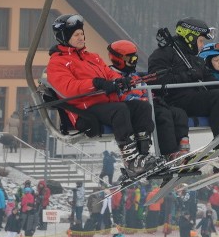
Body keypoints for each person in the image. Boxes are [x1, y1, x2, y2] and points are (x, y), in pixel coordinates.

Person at [46, 14, 158, 176]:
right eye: (76, 35)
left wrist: (120, 81)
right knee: (120, 110)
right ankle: (131, 161)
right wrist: (96, 83)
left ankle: (143, 155)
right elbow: (67, 88)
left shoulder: (92, 57)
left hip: (105, 104)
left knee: (141, 107)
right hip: (85, 109)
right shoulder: (58, 63)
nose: (81, 37)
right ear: (64, 37)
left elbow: (109, 74)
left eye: (82, 33)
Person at [148, 19, 219, 159]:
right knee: (218, 96)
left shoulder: (194, 59)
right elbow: (157, 81)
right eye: (201, 41)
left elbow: (211, 80)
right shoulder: (163, 54)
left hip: (194, 97)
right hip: (175, 100)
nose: (202, 45)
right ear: (190, 38)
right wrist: (186, 75)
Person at [108, 39, 191, 161]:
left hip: (146, 104)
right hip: (133, 109)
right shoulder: (112, 76)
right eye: (131, 60)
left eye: (135, 59)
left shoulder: (134, 75)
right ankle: (169, 153)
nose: (134, 62)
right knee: (162, 115)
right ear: (118, 59)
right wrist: (144, 100)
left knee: (179, 113)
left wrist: (154, 97)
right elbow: (119, 96)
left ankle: (182, 149)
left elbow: (145, 89)